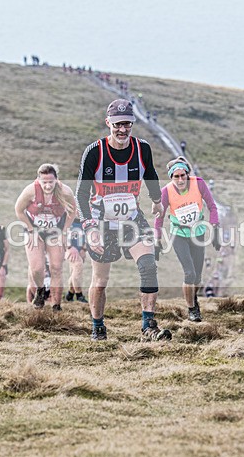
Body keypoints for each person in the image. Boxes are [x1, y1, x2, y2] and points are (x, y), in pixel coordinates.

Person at [75, 98, 170, 341]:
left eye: (127, 124)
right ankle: (98, 326)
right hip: (101, 223)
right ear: (108, 123)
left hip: (132, 219)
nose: (122, 129)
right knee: (101, 280)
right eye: (117, 124)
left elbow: (150, 174)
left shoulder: (142, 149)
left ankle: (148, 326)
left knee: (148, 267)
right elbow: (81, 194)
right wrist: (89, 228)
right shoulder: (94, 152)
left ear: (132, 124)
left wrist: (157, 200)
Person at [154, 156, 220, 322]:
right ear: (171, 177)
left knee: (197, 277)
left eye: (183, 175)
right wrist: (157, 240)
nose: (180, 179)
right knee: (189, 273)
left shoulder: (198, 183)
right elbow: (159, 217)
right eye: (176, 176)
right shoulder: (166, 191)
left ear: (187, 174)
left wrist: (215, 229)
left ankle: (193, 299)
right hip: (179, 234)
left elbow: (212, 206)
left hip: (198, 234)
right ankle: (192, 309)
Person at [15, 164, 76, 311]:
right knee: (37, 268)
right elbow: (18, 210)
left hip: (55, 231)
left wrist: (64, 232)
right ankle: (40, 291)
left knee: (56, 267)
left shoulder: (65, 191)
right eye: (44, 182)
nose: (48, 186)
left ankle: (56, 305)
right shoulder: (31, 191)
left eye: (51, 182)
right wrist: (30, 230)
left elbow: (72, 212)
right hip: (35, 230)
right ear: (38, 180)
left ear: (56, 180)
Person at [65, 218, 88, 303]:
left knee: (75, 272)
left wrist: (84, 248)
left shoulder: (86, 220)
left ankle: (70, 294)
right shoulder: (67, 219)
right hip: (70, 249)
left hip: (81, 249)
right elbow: (62, 233)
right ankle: (79, 295)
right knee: (78, 267)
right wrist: (69, 247)